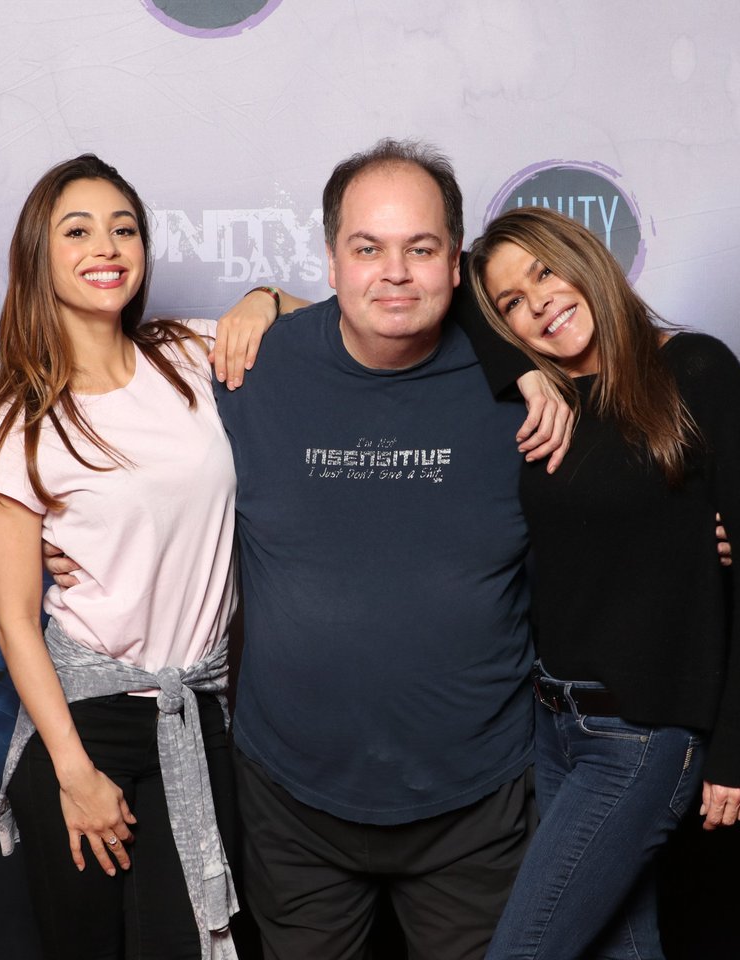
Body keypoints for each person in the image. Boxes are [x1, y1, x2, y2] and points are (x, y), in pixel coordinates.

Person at [207, 139, 562, 960]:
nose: (394, 272)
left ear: (456, 263)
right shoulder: (248, 367)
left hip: (477, 806)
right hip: (295, 804)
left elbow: (636, 492)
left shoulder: (528, 381)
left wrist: (707, 534)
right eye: (368, 248)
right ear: (331, 262)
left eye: (421, 249)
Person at [0, 154, 297, 960]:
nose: (106, 246)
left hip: (202, 711)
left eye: (124, 228)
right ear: (39, 258)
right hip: (86, 725)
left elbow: (326, 320)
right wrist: (74, 773)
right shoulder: (19, 424)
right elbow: (14, 621)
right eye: (77, 230)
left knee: (208, 941)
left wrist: (263, 299)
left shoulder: (189, 355)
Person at [465, 205, 740, 960]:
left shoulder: (696, 369)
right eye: (511, 302)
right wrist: (517, 365)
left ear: (586, 257)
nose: (536, 301)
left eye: (544, 272)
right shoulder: (545, 397)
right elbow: (434, 299)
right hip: (555, 726)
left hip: (643, 737)